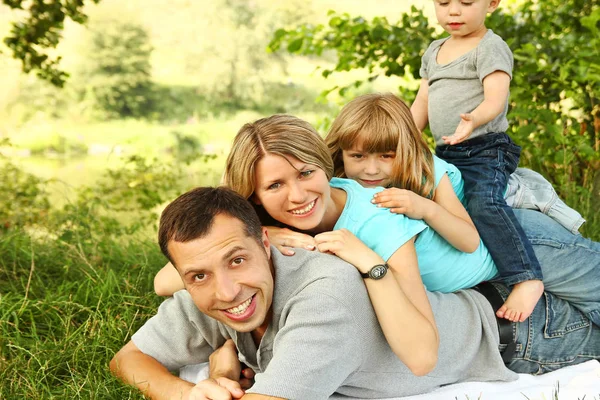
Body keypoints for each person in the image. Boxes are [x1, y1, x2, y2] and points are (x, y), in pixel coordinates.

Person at [110, 185, 600, 400]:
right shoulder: (214, 287)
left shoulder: (323, 293)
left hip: (525, 334)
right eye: (197, 276)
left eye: (237, 260)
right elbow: (126, 359)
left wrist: (219, 370)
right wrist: (185, 391)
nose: (227, 290)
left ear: (267, 240)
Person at [323, 92, 598, 325]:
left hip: (515, 243)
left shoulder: (426, 172)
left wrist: (425, 208)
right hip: (487, 276)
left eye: (386, 156)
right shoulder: (337, 189)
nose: (371, 169)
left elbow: (468, 240)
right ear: (342, 152)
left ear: (406, 149)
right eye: (357, 156)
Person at [410, 0, 543, 322]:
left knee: (483, 201)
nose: (453, 11)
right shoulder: (435, 49)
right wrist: (403, 136)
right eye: (443, 3)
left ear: (492, 4)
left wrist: (474, 119)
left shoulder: (490, 47)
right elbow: (422, 101)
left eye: (466, 3)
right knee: (445, 208)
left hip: (485, 146)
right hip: (448, 152)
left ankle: (526, 277)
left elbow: (496, 97)